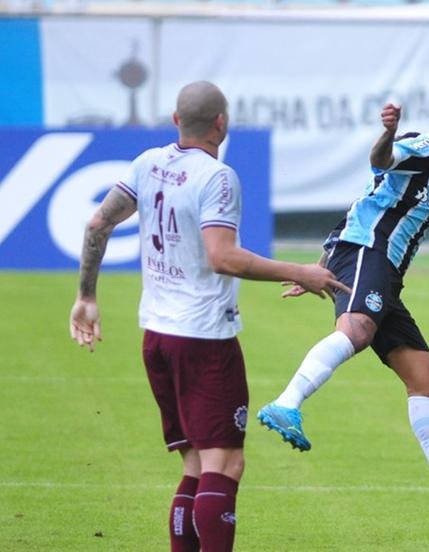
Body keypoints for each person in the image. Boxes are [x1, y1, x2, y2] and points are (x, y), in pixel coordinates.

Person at [68, 80, 349, 552]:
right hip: (202, 339)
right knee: (225, 465)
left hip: (156, 335)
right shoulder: (217, 177)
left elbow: (98, 223)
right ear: (222, 123)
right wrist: (302, 270)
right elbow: (223, 257)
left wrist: (86, 296)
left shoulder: (147, 162)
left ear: (177, 120)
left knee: (196, 465)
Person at [256, 88, 429, 524]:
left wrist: (320, 265)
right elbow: (382, 161)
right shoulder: (424, 148)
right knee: (356, 331)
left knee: (423, 376)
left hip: (382, 272)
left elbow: (367, 200)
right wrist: (387, 133)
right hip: (369, 255)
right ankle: (286, 403)